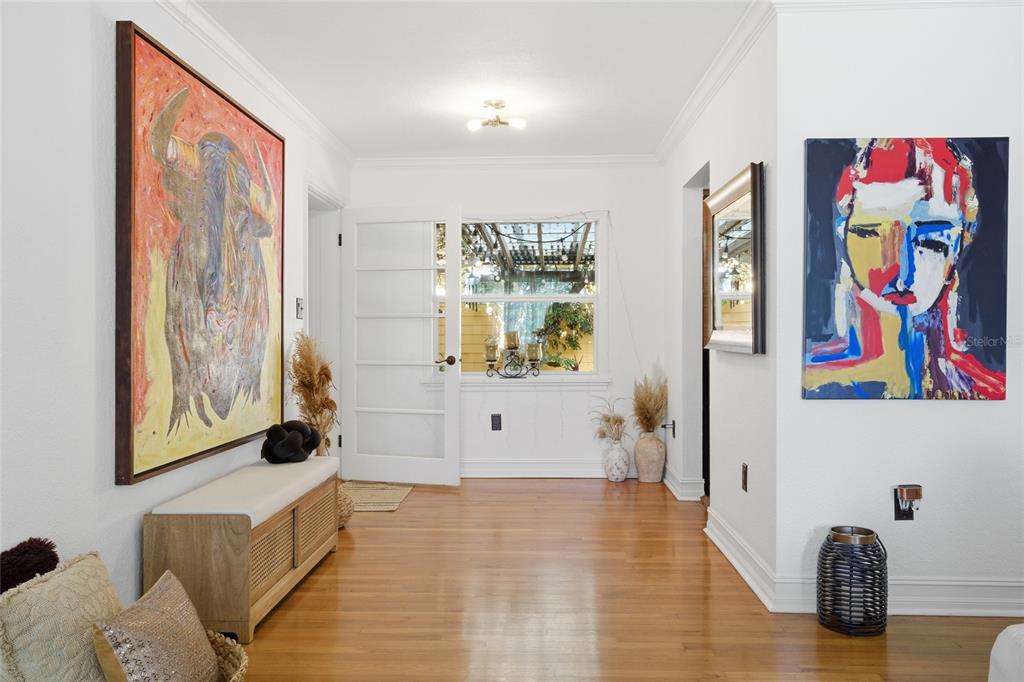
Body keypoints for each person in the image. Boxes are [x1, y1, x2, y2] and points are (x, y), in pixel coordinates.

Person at [803, 138, 1005, 399]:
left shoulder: (988, 394)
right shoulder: (812, 387)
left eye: (932, 241)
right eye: (870, 233)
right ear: (844, 234)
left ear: (962, 241)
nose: (902, 273)